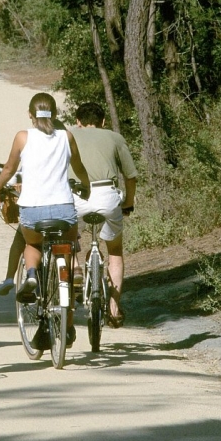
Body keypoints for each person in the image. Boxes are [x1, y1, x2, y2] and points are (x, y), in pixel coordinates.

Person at [0, 92, 90, 347]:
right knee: (66, 255)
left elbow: (9, 169)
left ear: (30, 115)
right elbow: (78, 167)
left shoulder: (23, 137)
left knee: (32, 244)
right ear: (56, 114)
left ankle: (32, 273)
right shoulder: (66, 136)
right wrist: (86, 185)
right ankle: (69, 292)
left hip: (32, 210)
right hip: (63, 209)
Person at [69, 102, 137, 327]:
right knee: (115, 251)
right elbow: (130, 176)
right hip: (107, 195)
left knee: (67, 239)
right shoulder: (115, 137)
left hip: (77, 195)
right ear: (103, 121)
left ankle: (75, 268)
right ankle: (114, 308)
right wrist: (128, 202)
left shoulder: (68, 135)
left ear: (78, 121)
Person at [0, 118, 68, 297]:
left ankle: (10, 277)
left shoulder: (34, 149)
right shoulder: (64, 151)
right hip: (63, 209)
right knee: (70, 240)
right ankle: (73, 272)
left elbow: (11, 170)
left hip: (36, 211)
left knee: (24, 239)